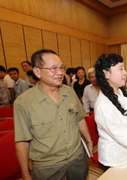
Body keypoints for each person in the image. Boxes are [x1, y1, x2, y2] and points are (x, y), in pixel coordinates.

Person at [14, 49, 93, 180]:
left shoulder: (69, 92)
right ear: (37, 72)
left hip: (77, 159)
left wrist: (89, 140)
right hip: (48, 167)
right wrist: (25, 173)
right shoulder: (23, 103)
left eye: (61, 68)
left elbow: (79, 119)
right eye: (53, 68)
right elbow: (22, 142)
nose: (60, 72)